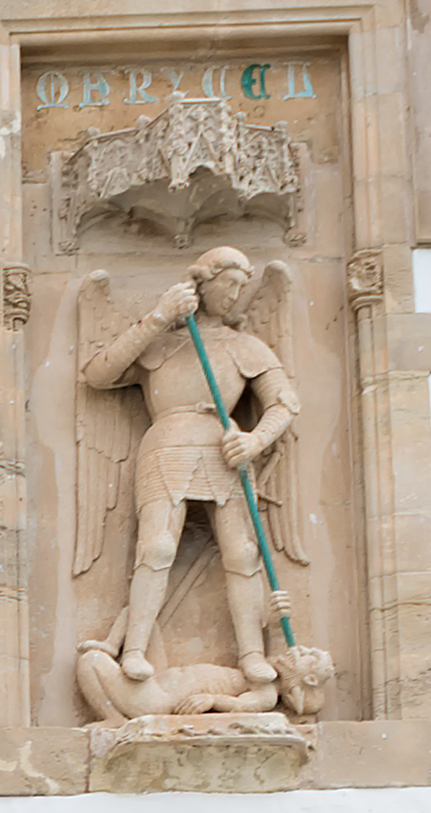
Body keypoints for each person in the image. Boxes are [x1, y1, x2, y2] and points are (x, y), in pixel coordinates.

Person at [68, 246, 316, 723]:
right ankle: (134, 649)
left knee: (241, 552)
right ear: (203, 283)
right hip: (168, 441)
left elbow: (284, 402)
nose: (236, 294)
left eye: (243, 287)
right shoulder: (160, 341)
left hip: (223, 449)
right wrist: (159, 317)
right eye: (229, 284)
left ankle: (251, 655)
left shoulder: (246, 346)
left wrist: (254, 439)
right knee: (157, 547)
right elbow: (99, 373)